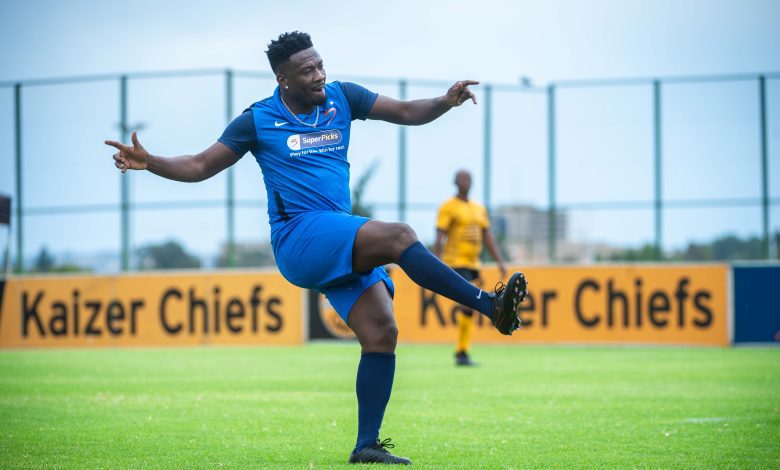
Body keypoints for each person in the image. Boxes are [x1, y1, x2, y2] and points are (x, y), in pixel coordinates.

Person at [106, 31, 528, 466]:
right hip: (299, 239)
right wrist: (150, 162)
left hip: (339, 237)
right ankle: (488, 304)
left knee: (383, 331)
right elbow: (198, 166)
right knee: (400, 236)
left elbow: (404, 111)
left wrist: (445, 101)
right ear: (282, 78)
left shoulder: (342, 98)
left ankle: (366, 445)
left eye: (320, 65)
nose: (319, 75)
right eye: (307, 70)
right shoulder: (258, 119)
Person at [433, 170, 507, 367]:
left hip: (473, 264)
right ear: (455, 182)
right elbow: (440, 235)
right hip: (455, 262)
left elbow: (487, 236)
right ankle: (461, 352)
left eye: (468, 179)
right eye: (461, 178)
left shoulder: (478, 208)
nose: (465, 181)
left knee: (470, 307)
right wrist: (435, 262)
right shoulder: (448, 207)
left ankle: (462, 352)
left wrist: (499, 261)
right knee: (468, 303)